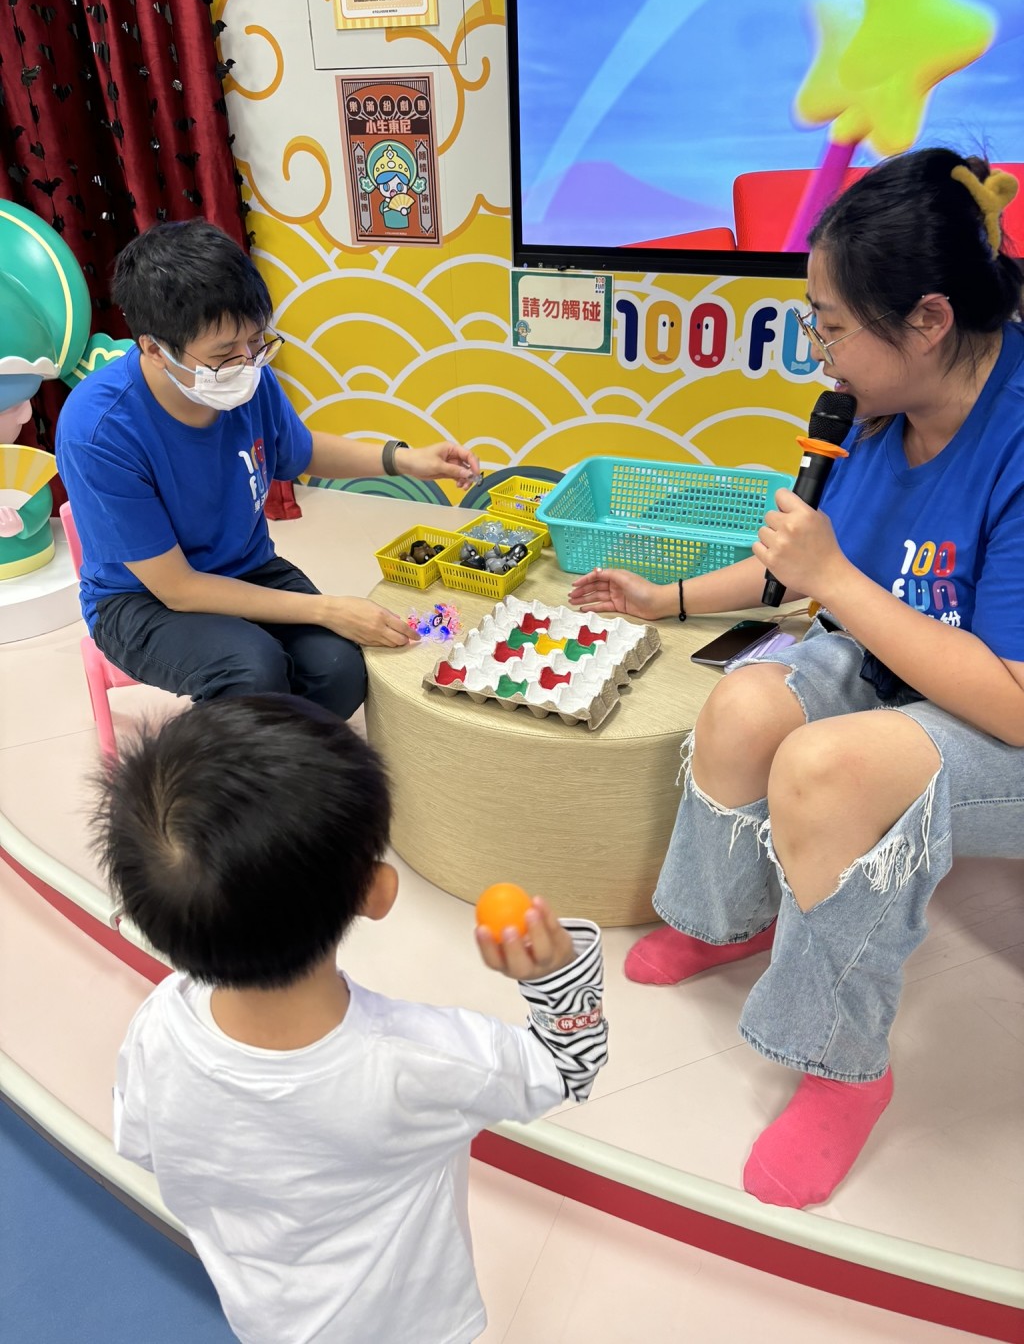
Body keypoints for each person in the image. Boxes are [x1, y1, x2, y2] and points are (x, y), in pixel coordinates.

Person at [569, 147, 1024, 1210]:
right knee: (742, 705)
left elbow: (1010, 699)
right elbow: (798, 561)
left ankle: (843, 1064)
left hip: (1000, 712)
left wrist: (834, 583)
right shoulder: (872, 407)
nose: (816, 350)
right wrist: (666, 599)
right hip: (903, 657)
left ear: (927, 319)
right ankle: (732, 920)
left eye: (830, 326)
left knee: (824, 771)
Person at [97, 693, 608, 1344]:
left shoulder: (159, 1023)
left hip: (264, 1316)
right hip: (406, 1328)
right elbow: (567, 1068)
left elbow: (140, 1142)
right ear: (378, 891)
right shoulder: (420, 1060)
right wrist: (556, 974)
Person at [56, 219, 481, 721]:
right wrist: (330, 609)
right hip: (141, 599)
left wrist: (407, 460)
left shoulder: (246, 375)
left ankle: (279, 755)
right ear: (155, 349)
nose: (246, 362)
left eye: (256, 341)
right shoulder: (99, 429)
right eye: (223, 354)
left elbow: (299, 450)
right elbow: (178, 588)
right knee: (252, 670)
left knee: (340, 670)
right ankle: (215, 762)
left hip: (247, 567)